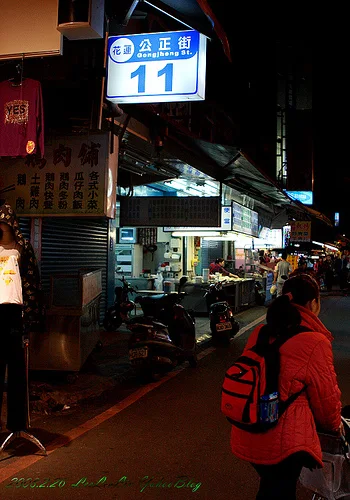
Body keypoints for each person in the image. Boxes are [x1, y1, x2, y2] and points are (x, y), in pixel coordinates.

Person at [229, 273, 342, 500]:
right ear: (313, 303)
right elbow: (326, 398)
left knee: (272, 488)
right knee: (279, 490)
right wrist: (334, 426)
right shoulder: (314, 341)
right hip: (284, 441)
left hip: (248, 427)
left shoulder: (261, 332)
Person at [0, 202, 42, 432]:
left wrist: (33, 314)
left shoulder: (22, 246)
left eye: (5, 219)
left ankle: (17, 425)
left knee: (17, 370)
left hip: (14, 312)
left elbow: (32, 280)